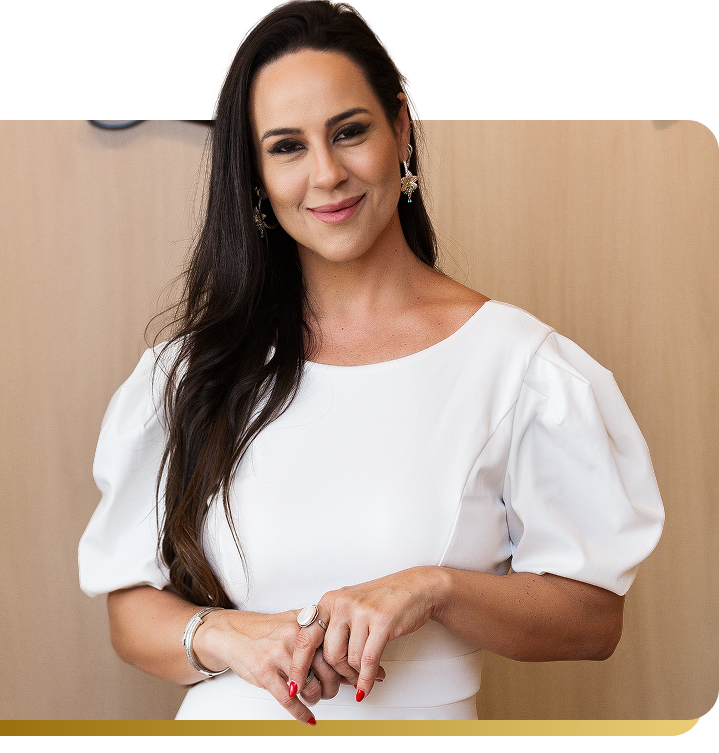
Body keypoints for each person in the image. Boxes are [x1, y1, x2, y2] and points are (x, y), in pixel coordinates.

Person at [78, 0, 665, 723]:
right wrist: (228, 636)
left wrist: (435, 588)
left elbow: (593, 623)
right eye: (287, 147)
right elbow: (130, 613)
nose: (327, 173)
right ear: (255, 173)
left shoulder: (520, 366)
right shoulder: (190, 371)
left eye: (349, 132)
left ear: (400, 128)